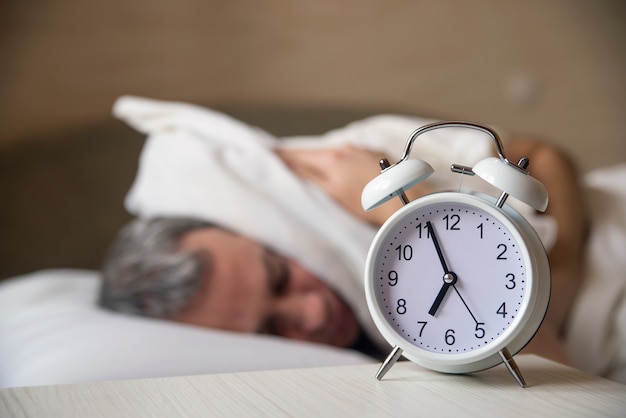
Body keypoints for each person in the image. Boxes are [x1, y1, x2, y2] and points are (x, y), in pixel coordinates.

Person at [99, 138, 587, 365]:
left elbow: (545, 158)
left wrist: (410, 210)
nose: (311, 314)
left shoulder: (344, 169)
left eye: (279, 276)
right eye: (270, 331)